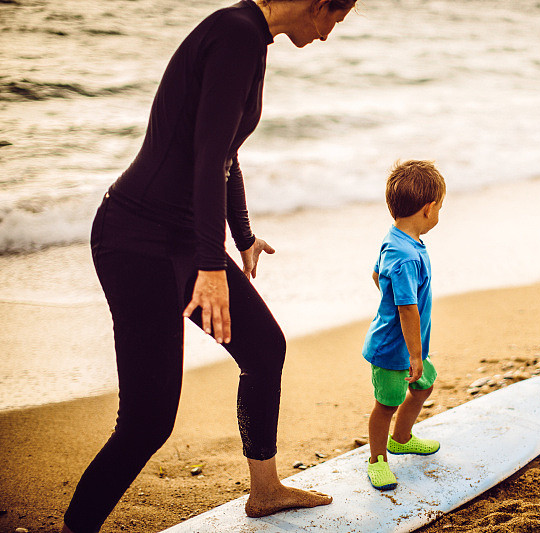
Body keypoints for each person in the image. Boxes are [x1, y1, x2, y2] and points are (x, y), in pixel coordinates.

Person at [61, 1, 355, 531]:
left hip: (179, 236)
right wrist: (210, 266)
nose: (330, 34)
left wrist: (242, 235)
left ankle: (264, 491)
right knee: (148, 420)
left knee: (265, 349)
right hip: (135, 239)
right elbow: (205, 155)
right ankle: (78, 525)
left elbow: (225, 152)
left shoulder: (254, 38)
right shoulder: (235, 34)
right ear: (318, 3)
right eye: (336, 18)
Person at [362, 160, 446, 490]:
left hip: (408, 346)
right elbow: (407, 309)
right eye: (440, 208)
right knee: (387, 404)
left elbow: (375, 274)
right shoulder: (406, 255)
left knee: (424, 385)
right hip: (394, 349)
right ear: (428, 209)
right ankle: (377, 461)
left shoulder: (397, 240)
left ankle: (401, 437)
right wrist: (414, 353)